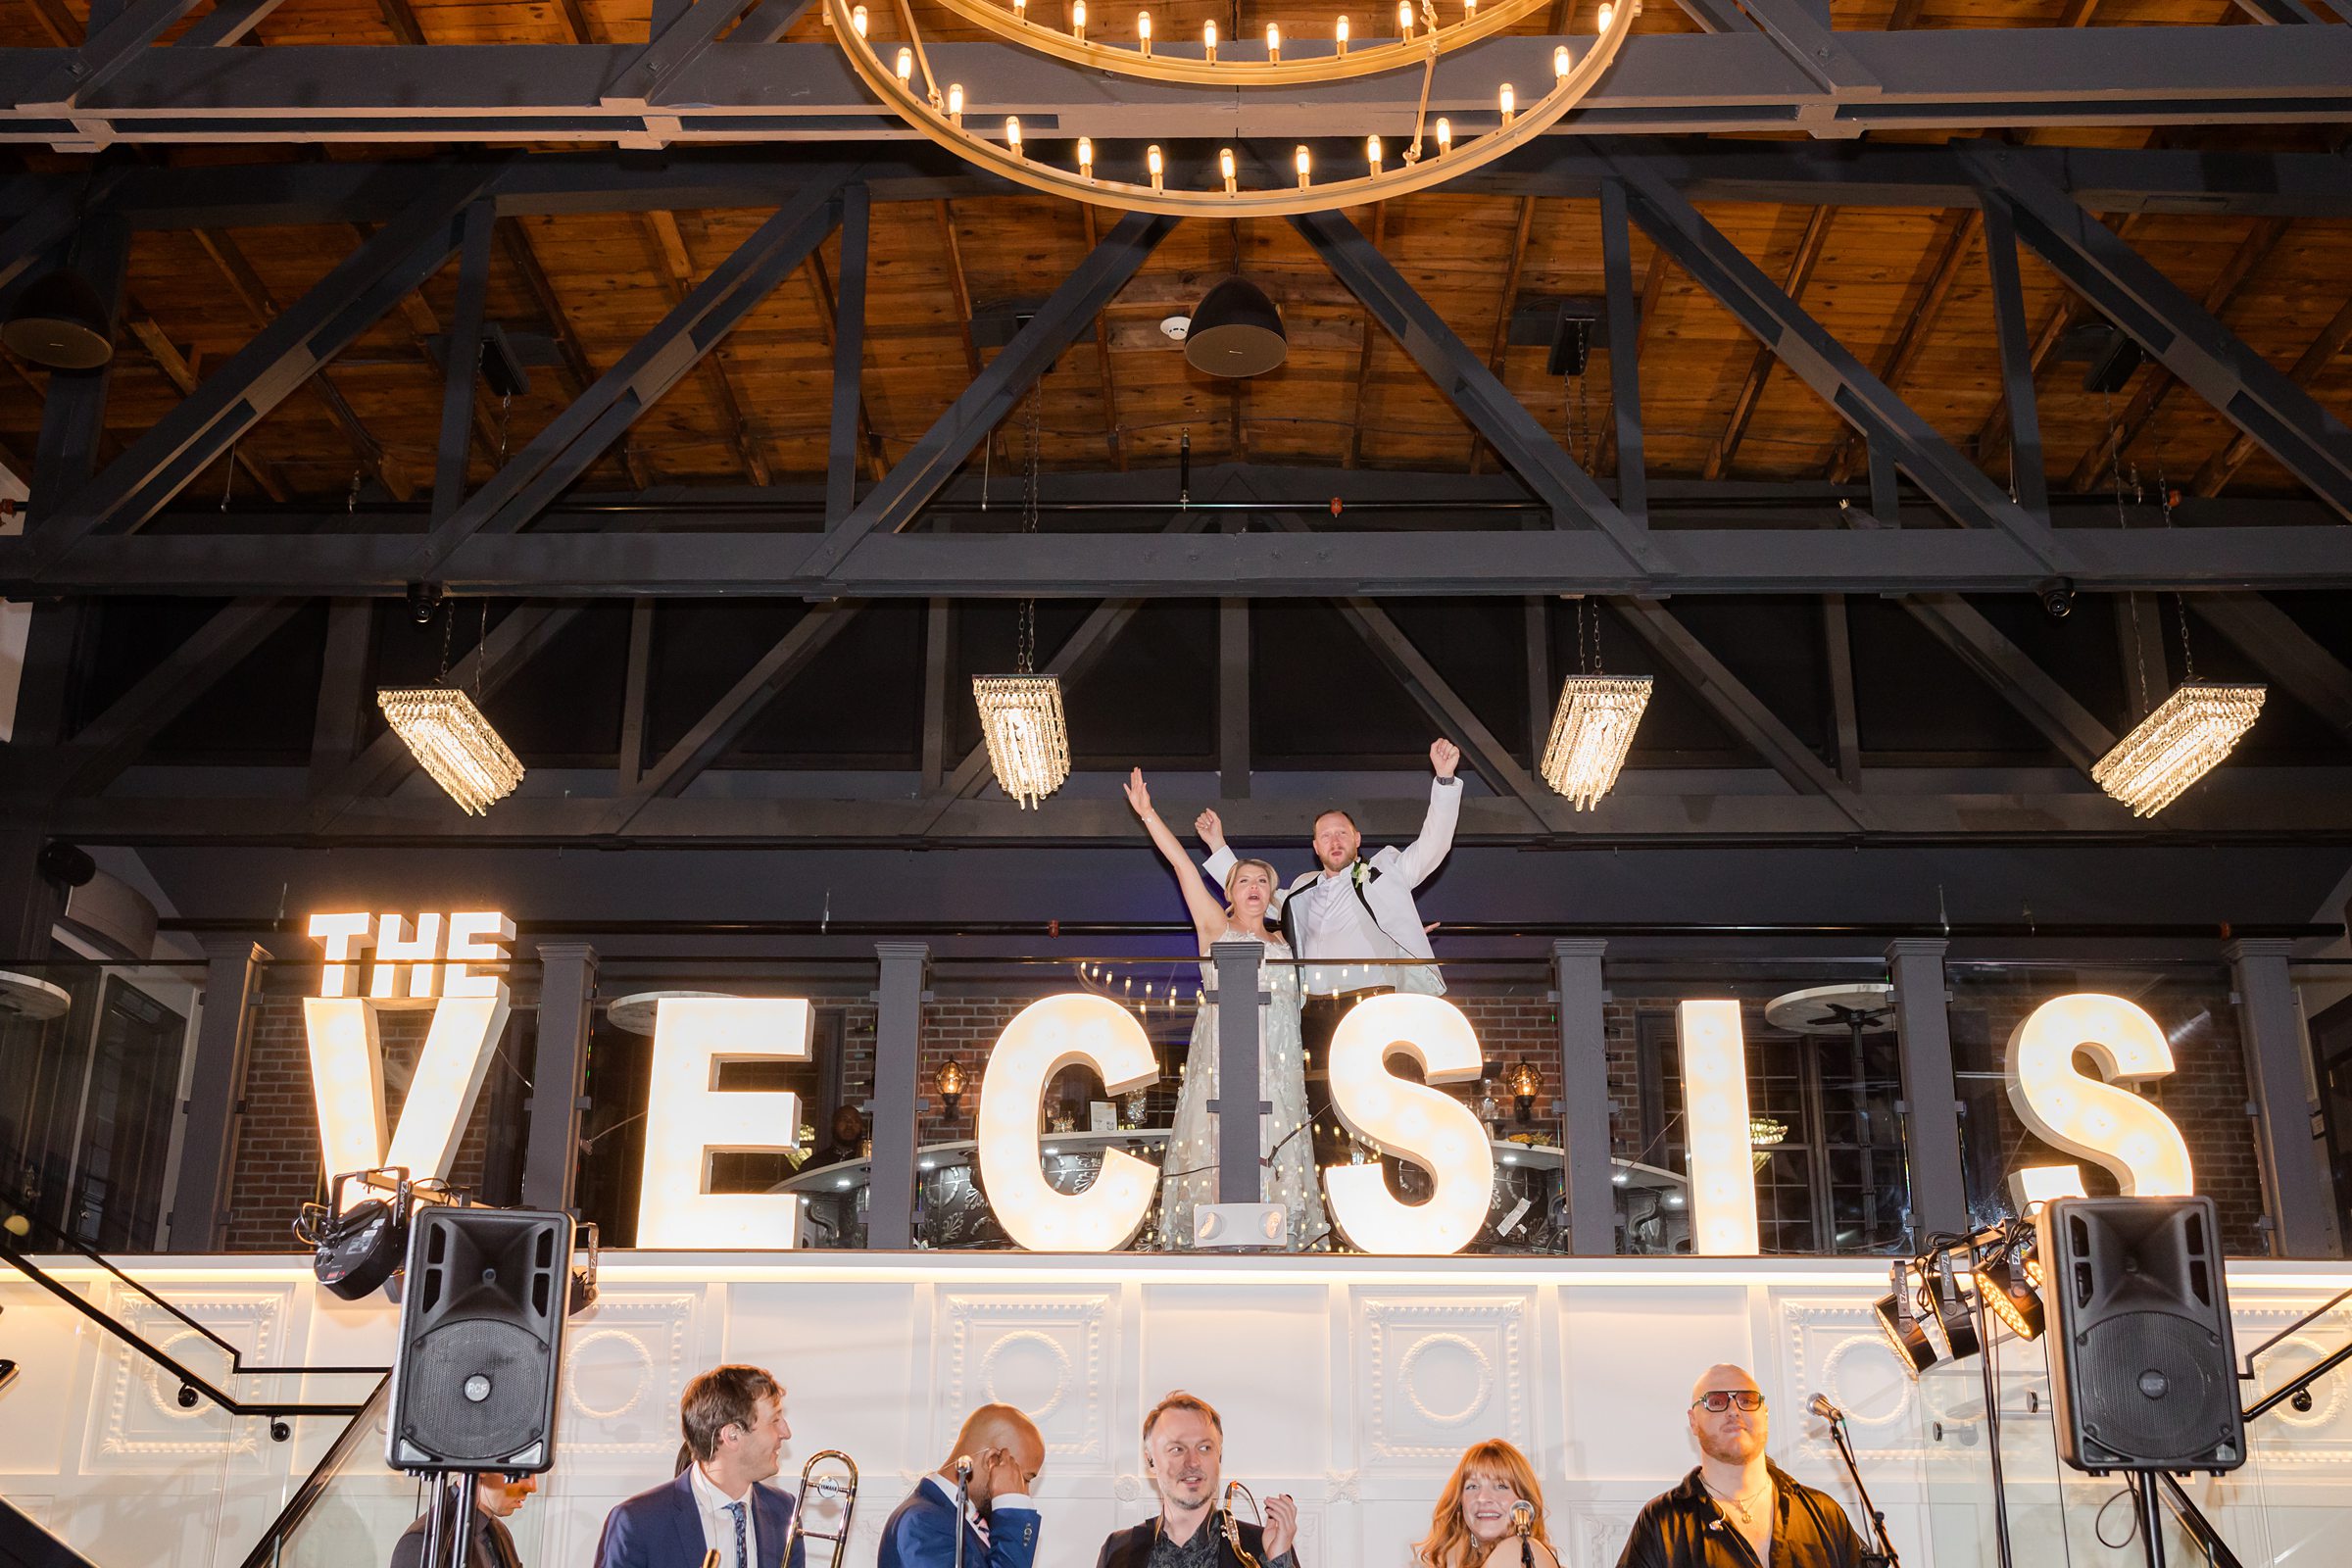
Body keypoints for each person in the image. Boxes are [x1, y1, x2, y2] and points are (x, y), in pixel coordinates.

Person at [1125, 769, 1328, 1251]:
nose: (1253, 887)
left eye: (1263, 881)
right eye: (1243, 881)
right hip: (1226, 1060)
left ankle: (1277, 1237)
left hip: (1278, 1065)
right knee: (1223, 1142)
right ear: (1230, 892)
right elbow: (1183, 868)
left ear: (1270, 894)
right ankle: (1216, 1239)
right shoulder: (1215, 928)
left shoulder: (1288, 940)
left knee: (1274, 1143)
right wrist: (1149, 815)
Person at [1197, 739, 1462, 1059]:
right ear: (1316, 847)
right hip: (1316, 1011)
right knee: (1320, 1099)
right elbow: (1255, 894)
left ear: (1357, 839)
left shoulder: (1387, 872)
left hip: (1373, 1003)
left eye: (1342, 833)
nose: (1334, 841)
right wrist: (1217, 845)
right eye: (1326, 836)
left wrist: (1445, 780)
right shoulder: (1300, 890)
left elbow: (1434, 843)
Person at [1613, 1364, 1867, 1568]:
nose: (1734, 1410)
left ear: (1764, 1415)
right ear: (1693, 1421)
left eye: (1747, 1400)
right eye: (1716, 1401)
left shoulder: (1823, 1512)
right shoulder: (1662, 1520)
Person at [595, 1364, 806, 1568]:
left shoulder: (784, 1509)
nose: (786, 1432)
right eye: (775, 1420)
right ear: (732, 1435)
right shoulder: (637, 1522)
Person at [1096, 1392, 1298, 1568]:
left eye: (1204, 1448)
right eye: (1177, 1449)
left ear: (1218, 1456)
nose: (1193, 1462)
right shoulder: (1119, 1549)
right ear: (1150, 1460)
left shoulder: (1263, 1547)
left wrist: (1278, 1561)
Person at [877, 1403, 1047, 1568]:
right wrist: (1013, 1507)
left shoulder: (965, 1519)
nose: (1024, 1492)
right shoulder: (920, 1523)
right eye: (1023, 1479)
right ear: (992, 1461)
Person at [1414, 1441, 1558, 1568]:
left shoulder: (1518, 1549)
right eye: (1472, 1486)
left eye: (1501, 1486)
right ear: (1460, 1503)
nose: (1483, 1498)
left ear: (1525, 1502)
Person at [388, 1473, 536, 1568]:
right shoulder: (421, 1542)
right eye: (521, 1472)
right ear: (483, 1465)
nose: (532, 1486)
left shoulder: (498, 1531)